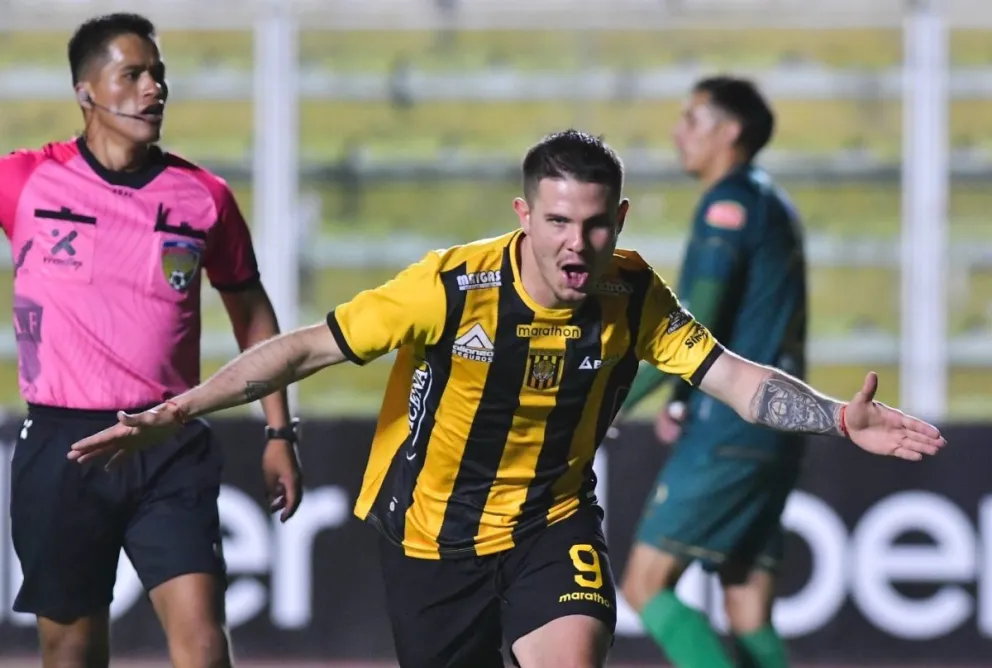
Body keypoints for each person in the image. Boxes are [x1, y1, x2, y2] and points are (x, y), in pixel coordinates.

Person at [67, 129, 945, 668]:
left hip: (550, 525)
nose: (576, 245)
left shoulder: (632, 291)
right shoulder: (449, 288)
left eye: (594, 224)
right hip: (429, 539)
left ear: (620, 220)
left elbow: (733, 376)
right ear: (524, 215)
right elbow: (303, 348)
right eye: (558, 222)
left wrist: (837, 416)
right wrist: (180, 410)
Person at [0, 13, 304, 668]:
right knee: (72, 652)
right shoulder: (25, 180)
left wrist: (279, 431)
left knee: (203, 645)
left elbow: (251, 312)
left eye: (158, 75)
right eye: (133, 74)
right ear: (86, 92)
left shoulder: (204, 197)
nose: (154, 89)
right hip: (64, 445)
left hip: (168, 440)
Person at [613, 76, 809, 668]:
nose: (679, 132)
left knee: (645, 586)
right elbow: (740, 319)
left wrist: (614, 394)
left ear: (730, 131)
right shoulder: (771, 203)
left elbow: (693, 322)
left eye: (692, 119)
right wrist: (679, 396)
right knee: (746, 604)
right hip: (776, 422)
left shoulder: (726, 207)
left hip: (731, 424)